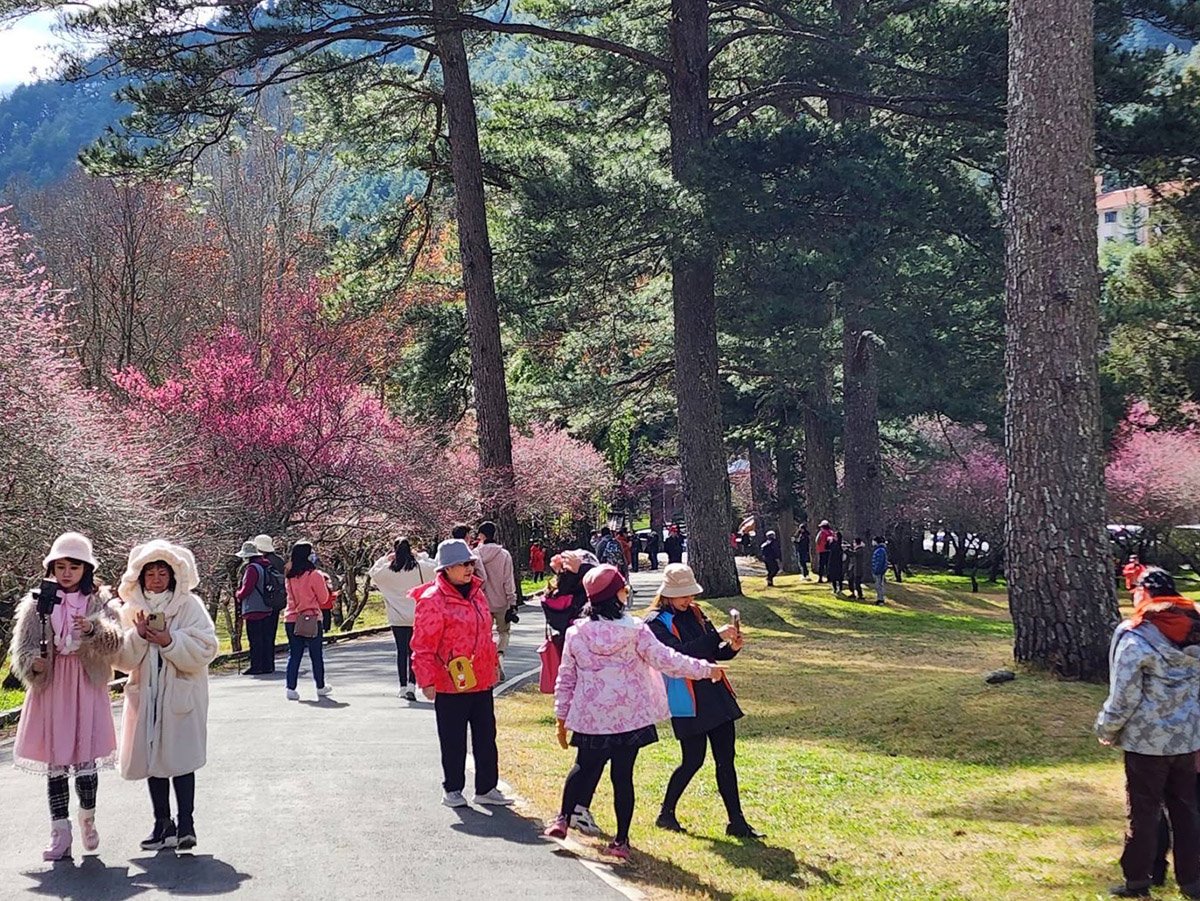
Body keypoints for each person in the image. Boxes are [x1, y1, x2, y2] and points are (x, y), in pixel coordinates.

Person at [543, 564, 720, 860]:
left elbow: (566, 677)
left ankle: (562, 818)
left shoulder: (577, 633)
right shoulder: (636, 631)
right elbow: (668, 660)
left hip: (592, 716)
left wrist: (561, 716)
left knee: (583, 766)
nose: (628, 592)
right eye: (624, 588)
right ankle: (621, 840)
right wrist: (705, 669)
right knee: (622, 776)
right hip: (629, 716)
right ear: (616, 596)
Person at [9, 532, 122, 860]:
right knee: (56, 762)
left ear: (86, 569)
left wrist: (92, 630)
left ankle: (88, 819)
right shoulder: (37, 602)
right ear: (52, 568)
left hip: (86, 685)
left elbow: (117, 642)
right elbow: (23, 648)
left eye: (74, 566)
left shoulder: (99, 600)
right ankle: (60, 831)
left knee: (85, 759)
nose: (67, 572)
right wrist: (33, 663)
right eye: (60, 566)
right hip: (53, 686)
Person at [1096, 568, 1200, 899]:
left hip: (1146, 743)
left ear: (1143, 593)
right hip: (1187, 740)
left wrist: (1106, 727)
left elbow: (1123, 695)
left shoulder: (1136, 635)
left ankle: (1138, 882)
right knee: (1186, 810)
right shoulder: (1196, 629)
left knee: (1143, 811)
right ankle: (1193, 882)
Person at [646, 563, 763, 838]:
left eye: (690, 593)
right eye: (683, 595)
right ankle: (666, 813)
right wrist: (716, 637)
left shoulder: (696, 613)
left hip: (715, 692)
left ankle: (737, 822)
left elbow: (714, 652)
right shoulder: (655, 622)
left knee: (726, 759)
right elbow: (679, 656)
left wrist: (730, 648)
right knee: (693, 760)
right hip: (686, 697)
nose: (690, 599)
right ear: (667, 594)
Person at [115, 540, 219, 852]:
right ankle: (162, 823)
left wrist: (170, 640)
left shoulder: (190, 606)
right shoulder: (131, 610)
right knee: (151, 758)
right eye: (151, 573)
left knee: (182, 757)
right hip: (146, 692)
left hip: (181, 692)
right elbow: (120, 659)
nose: (157, 579)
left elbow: (206, 647)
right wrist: (138, 636)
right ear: (140, 577)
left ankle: (186, 823)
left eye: (163, 573)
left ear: (174, 576)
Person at [411, 539, 513, 808]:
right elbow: (422, 646)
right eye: (462, 564)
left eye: (470, 563)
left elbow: (486, 635)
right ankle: (453, 788)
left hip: (480, 679)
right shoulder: (433, 600)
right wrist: (426, 681)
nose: (469, 568)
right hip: (449, 682)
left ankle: (486, 788)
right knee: (453, 738)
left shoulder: (478, 593)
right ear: (445, 569)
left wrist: (493, 665)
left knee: (485, 735)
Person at [369, 538, 436, 701]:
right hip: (416, 616)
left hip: (397, 617)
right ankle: (413, 685)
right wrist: (420, 556)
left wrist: (386, 558)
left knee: (401, 651)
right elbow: (435, 567)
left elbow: (373, 572)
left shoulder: (388, 571)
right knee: (414, 652)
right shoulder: (419, 567)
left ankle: (402, 686)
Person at [283, 541, 332, 701]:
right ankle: (320, 686)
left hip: (291, 618)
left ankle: (291, 688)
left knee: (294, 654)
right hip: (311, 618)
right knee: (315, 654)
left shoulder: (289, 575)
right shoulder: (315, 575)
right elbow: (324, 598)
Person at [474, 521, 518, 681]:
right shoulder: (504, 555)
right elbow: (508, 580)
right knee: (503, 632)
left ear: (481, 535)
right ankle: (499, 654)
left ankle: (488, 664)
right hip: (501, 601)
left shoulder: (475, 554)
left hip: (481, 602)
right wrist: (512, 600)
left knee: (484, 634)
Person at [234, 541, 278, 676]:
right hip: (266, 606)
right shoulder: (266, 566)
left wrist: (238, 594)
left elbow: (247, 589)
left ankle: (256, 665)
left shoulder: (252, 568)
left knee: (255, 639)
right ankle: (268, 665)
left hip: (254, 608)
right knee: (266, 638)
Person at [253, 534, 286, 668]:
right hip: (277, 601)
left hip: (263, 601)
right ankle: (270, 662)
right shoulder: (279, 561)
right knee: (271, 633)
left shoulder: (261, 562)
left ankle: (262, 662)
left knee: (261, 633)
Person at [871, 536, 889, 606]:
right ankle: (879, 598)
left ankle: (880, 600)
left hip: (879, 571)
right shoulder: (879, 549)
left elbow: (880, 562)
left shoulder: (880, 550)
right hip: (878, 570)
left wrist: (876, 570)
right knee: (878, 585)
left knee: (879, 585)